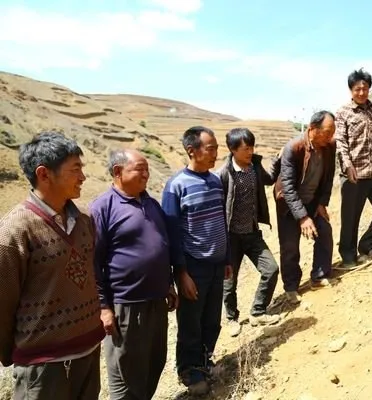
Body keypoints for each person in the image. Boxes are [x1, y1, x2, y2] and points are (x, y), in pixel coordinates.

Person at [0, 132, 105, 399]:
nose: (83, 177)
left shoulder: (84, 220)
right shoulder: (15, 230)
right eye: (75, 170)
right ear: (44, 174)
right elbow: (3, 302)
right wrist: (18, 353)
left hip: (89, 355)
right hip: (43, 369)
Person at [90, 149, 178, 400]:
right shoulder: (102, 208)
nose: (146, 174)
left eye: (147, 169)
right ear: (118, 172)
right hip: (125, 305)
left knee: (154, 362)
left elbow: (162, 245)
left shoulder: (150, 203)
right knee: (126, 372)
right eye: (140, 168)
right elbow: (93, 263)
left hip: (156, 302)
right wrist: (104, 307)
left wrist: (168, 284)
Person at [161, 126, 233, 396]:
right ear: (192, 150)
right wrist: (181, 273)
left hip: (216, 264)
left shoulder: (215, 181)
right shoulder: (176, 186)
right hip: (194, 266)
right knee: (191, 321)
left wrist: (226, 258)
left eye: (216, 148)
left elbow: (220, 222)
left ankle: (205, 361)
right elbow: (172, 234)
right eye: (210, 148)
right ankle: (189, 370)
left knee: (212, 319)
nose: (216, 153)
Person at [216, 128, 281, 338]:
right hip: (231, 237)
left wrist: (279, 162)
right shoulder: (223, 174)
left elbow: (269, 179)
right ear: (232, 150)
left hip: (252, 233)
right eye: (246, 148)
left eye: (252, 147)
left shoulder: (254, 166)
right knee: (229, 281)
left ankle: (258, 312)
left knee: (271, 269)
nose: (250, 151)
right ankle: (232, 318)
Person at [273, 110, 337, 304]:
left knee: (324, 231)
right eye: (327, 132)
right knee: (290, 246)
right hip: (288, 203)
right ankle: (291, 287)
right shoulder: (294, 147)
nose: (330, 136)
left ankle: (318, 275)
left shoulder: (330, 146)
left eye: (332, 132)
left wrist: (321, 204)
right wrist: (302, 217)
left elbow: (328, 177)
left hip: (312, 201)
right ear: (312, 129)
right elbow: (288, 188)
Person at [334, 68, 372, 268]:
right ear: (351, 90)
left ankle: (368, 244)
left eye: (365, 88)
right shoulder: (343, 112)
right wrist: (347, 165)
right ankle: (348, 256)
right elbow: (341, 142)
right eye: (357, 89)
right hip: (354, 174)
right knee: (350, 218)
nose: (362, 92)